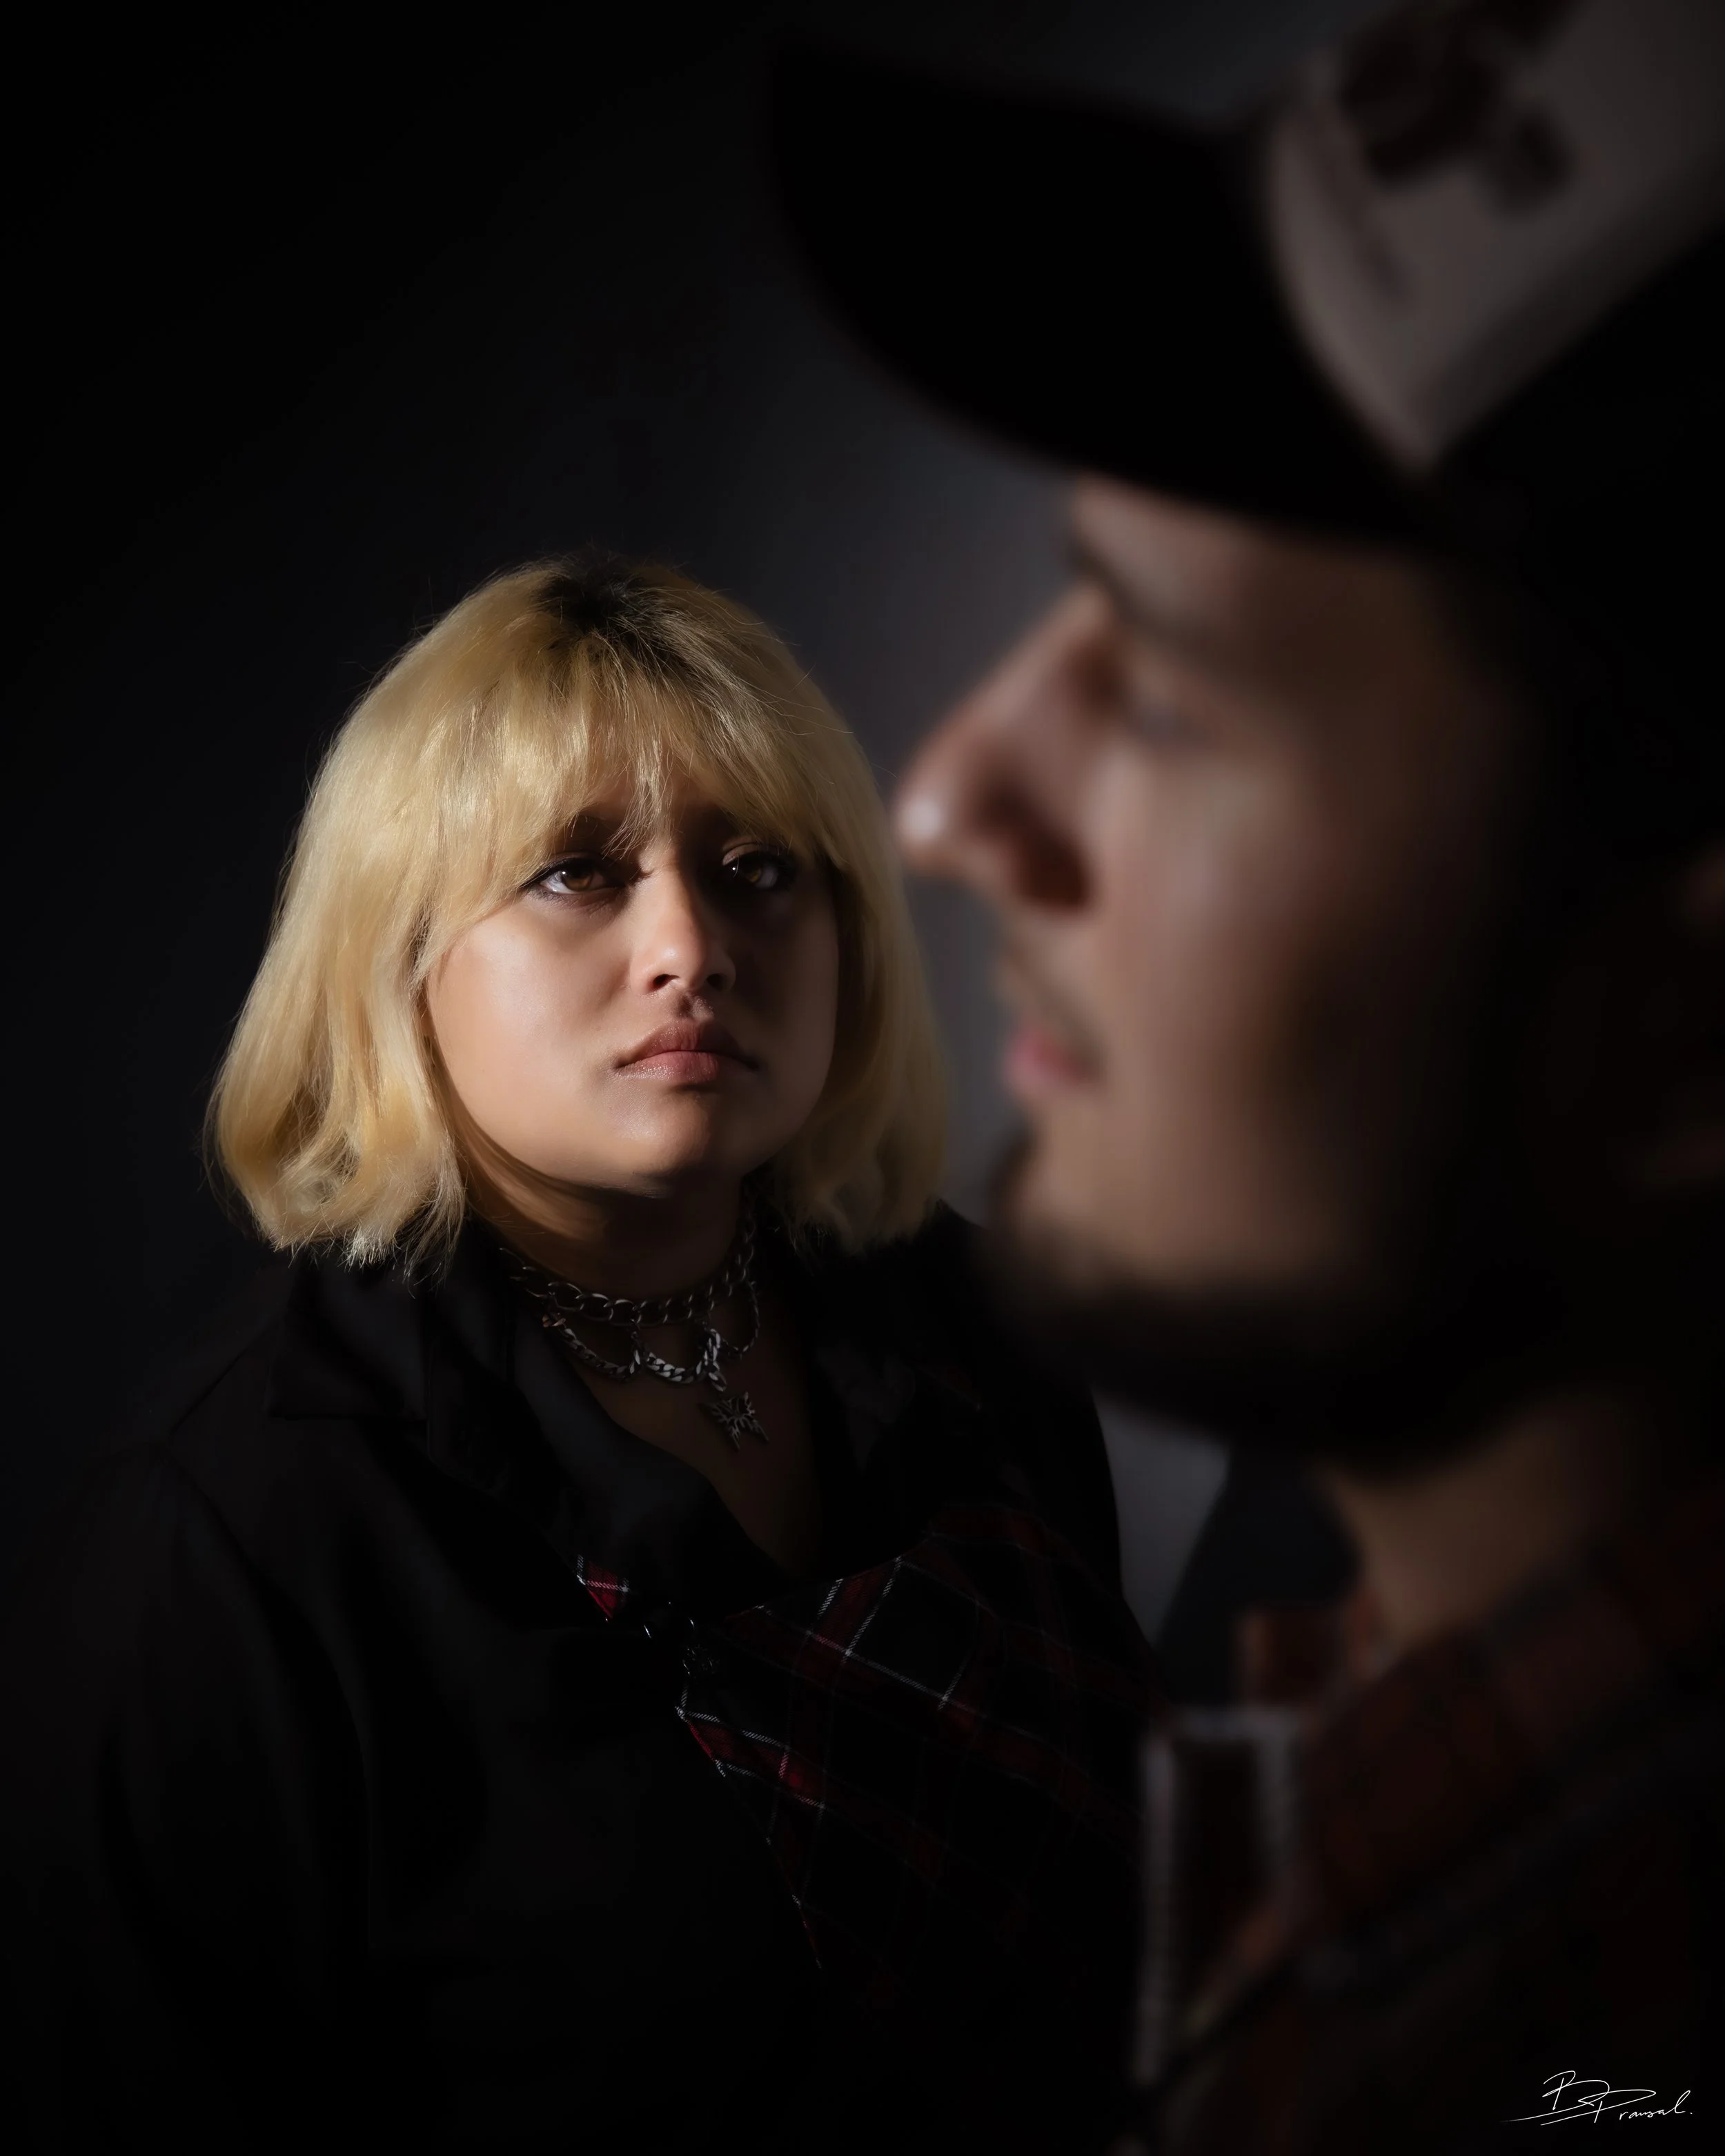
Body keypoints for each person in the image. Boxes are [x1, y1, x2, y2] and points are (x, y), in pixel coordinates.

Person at [773, 0, 1725, 2145]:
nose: (941, 800)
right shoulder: (1341, 1660)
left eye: (1175, 692)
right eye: (1063, 603)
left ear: (1693, 1030)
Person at [0, 555, 1156, 2153]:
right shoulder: (213, 1546)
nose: (691, 946)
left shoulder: (974, 1315)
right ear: (398, 960)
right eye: (574, 875)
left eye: (757, 867)